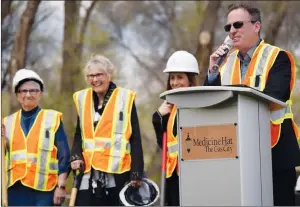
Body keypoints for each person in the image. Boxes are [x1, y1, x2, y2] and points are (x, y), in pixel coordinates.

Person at [204, 3, 300, 206]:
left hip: (275, 152)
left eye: (237, 24)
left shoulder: (278, 57)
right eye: (228, 27)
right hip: (236, 153)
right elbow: (209, 102)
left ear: (256, 26)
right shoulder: (225, 63)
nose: (232, 31)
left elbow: (276, 96)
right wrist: (213, 71)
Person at [70, 54, 144, 206]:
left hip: (117, 173)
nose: (95, 80)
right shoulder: (82, 98)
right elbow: (79, 134)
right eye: (91, 76)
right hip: (88, 172)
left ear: (109, 75)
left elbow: (135, 138)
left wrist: (137, 172)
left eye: (99, 75)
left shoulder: (125, 98)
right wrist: (75, 156)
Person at [2, 68, 70, 206]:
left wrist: (61, 186)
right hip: (15, 190)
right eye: (24, 91)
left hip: (45, 191)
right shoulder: (6, 123)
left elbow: (64, 157)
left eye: (33, 90)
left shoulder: (53, 118)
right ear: (17, 95)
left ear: (40, 94)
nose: (28, 94)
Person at [152, 50, 199, 206]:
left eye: (180, 77)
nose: (175, 82)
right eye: (172, 78)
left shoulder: (198, 104)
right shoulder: (171, 108)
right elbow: (163, 144)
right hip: (173, 175)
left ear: (190, 81)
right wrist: (158, 117)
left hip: (191, 174)